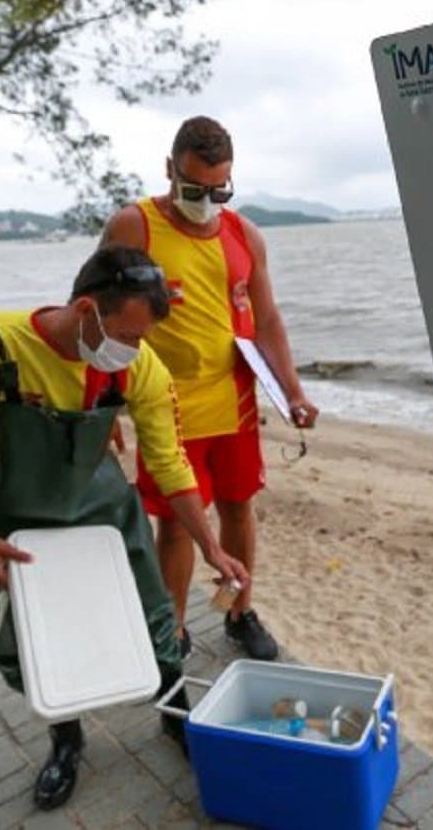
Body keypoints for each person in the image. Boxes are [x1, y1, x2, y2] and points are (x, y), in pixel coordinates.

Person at [0, 246, 250, 811]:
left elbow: (168, 461)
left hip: (97, 505)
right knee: (34, 636)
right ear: (86, 308)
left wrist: (210, 542)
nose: (134, 351)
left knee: (151, 610)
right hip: (4, 518)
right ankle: (65, 737)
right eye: (129, 335)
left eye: (143, 339)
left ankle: (175, 710)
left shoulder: (138, 367)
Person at [100, 115, 318, 662]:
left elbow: (266, 319)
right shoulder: (136, 226)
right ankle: (171, 627)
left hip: (236, 402)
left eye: (219, 189)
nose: (206, 200)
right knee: (173, 523)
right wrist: (101, 405)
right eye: (194, 188)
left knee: (239, 507)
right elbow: (98, 314)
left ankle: (240, 612)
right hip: (164, 406)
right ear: (169, 169)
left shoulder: (244, 234)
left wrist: (292, 391)